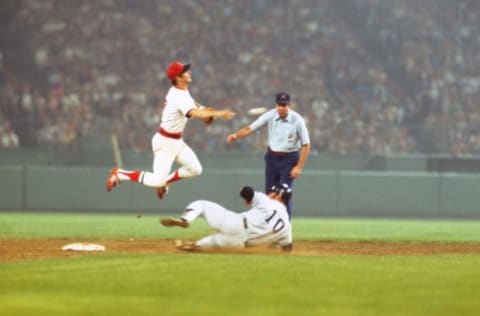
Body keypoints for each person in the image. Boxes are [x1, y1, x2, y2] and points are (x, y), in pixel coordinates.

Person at [106, 61, 236, 199]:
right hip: (165, 142)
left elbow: (195, 107)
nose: (189, 72)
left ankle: (165, 183)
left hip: (176, 141)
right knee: (157, 180)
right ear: (178, 78)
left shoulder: (182, 91)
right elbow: (195, 113)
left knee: (195, 169)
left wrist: (207, 112)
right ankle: (120, 174)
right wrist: (218, 113)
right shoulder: (178, 95)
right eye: (185, 71)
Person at [226, 92, 310, 219]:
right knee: (270, 193)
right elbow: (251, 128)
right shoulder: (270, 115)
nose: (281, 108)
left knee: (283, 193)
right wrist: (236, 135)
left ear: (289, 105)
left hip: (289, 158)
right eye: (279, 105)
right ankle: (269, 225)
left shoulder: (297, 120)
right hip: (272, 158)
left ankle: (285, 226)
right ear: (275, 105)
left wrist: (299, 167)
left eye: (284, 105)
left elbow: (306, 144)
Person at [161, 183, 293, 252]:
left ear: (278, 195)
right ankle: (196, 245)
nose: (270, 193)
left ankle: (185, 219)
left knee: (201, 204)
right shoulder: (287, 227)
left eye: (273, 191)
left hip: (235, 224)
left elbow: (246, 191)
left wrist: (247, 197)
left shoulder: (267, 201)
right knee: (202, 247)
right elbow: (287, 248)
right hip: (239, 243)